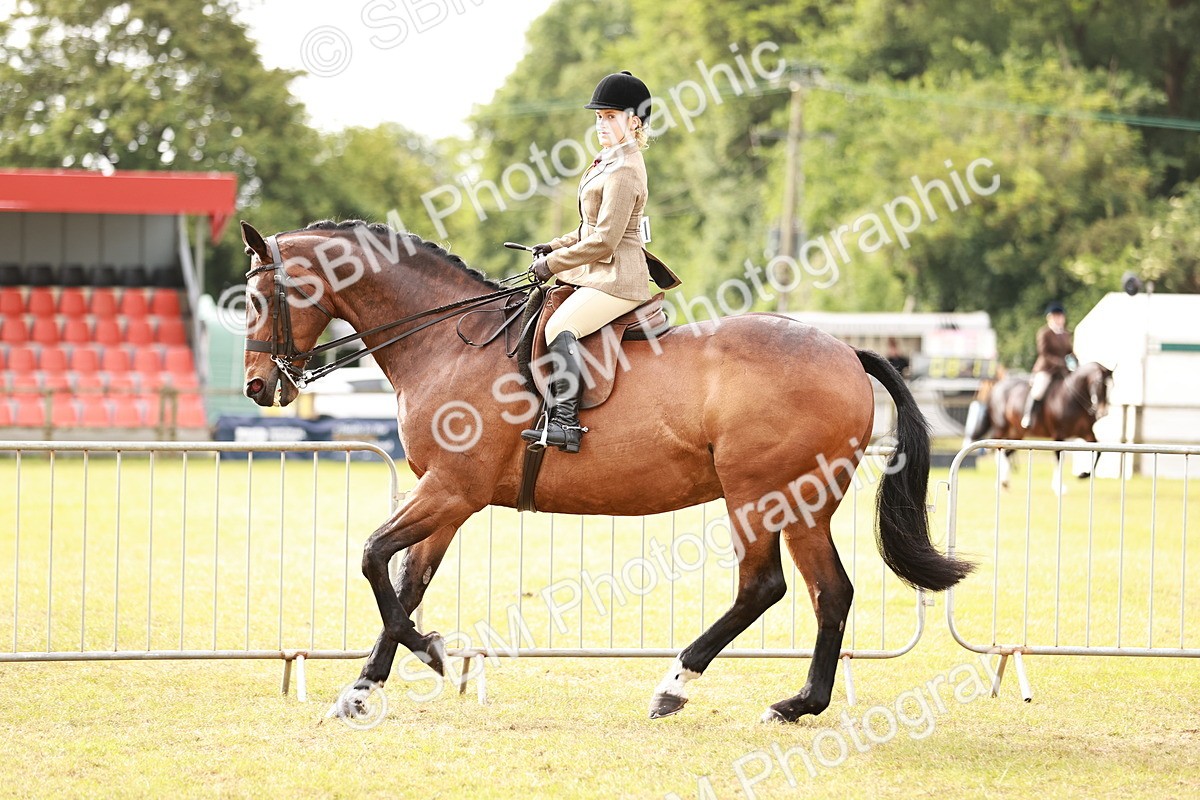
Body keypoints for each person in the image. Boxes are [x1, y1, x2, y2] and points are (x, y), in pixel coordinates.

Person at [520, 71, 657, 454]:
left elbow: (605, 240)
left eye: (610, 116)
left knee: (561, 326)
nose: (601, 123)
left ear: (634, 121)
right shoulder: (606, 162)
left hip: (619, 277)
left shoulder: (627, 168)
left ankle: (566, 423)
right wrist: (553, 246)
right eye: (599, 116)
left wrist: (555, 265)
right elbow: (587, 228)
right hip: (598, 271)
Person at [1022, 301, 1078, 430]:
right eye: (1055, 316)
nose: (1058, 319)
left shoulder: (1065, 334)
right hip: (1046, 368)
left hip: (1062, 370)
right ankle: (1028, 415)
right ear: (1050, 318)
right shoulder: (1044, 333)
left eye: (1060, 316)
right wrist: (1061, 363)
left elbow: (1069, 351)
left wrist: (1076, 362)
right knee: (1039, 390)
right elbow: (1044, 353)